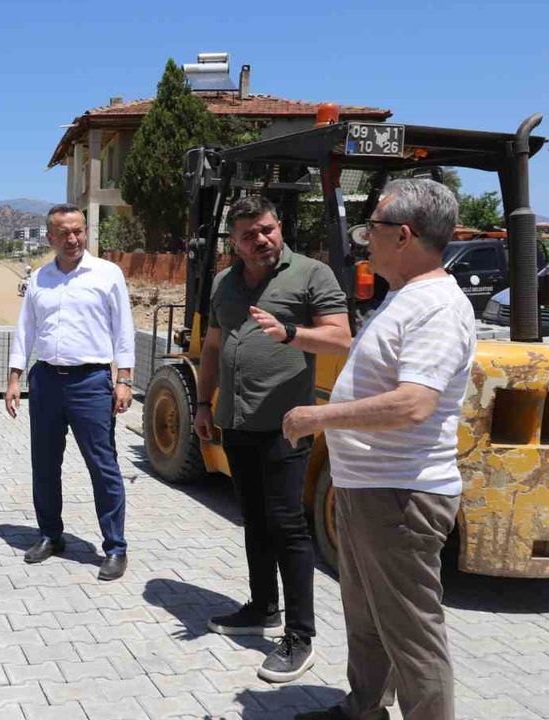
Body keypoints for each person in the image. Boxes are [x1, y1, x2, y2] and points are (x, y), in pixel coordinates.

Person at [286, 179, 475, 720]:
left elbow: (413, 404)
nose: (365, 238)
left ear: (404, 235)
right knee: (366, 614)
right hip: (369, 487)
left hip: (401, 496)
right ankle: (364, 707)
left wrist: (318, 417)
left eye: (373, 227)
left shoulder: (437, 306)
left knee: (411, 633)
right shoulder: (404, 296)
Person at [193, 195, 352, 683]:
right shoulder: (223, 282)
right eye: (249, 235)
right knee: (255, 521)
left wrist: (289, 333)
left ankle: (300, 636)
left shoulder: (311, 274)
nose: (261, 239)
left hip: (286, 424)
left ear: (278, 226)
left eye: (266, 229)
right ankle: (262, 608)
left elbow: (340, 337)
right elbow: (213, 345)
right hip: (236, 420)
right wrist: (202, 404)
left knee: (288, 527)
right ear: (234, 243)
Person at [4, 204, 135, 581]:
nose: (73, 238)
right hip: (46, 381)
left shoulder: (107, 274)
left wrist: (123, 379)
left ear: (86, 232)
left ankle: (115, 547)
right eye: (64, 233)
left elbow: (123, 329)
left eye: (78, 231)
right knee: (44, 464)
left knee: (103, 466)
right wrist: (14, 378)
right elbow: (25, 329)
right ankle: (50, 534)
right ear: (50, 237)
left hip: (91, 383)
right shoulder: (40, 278)